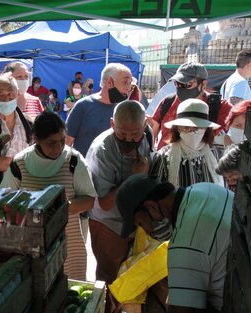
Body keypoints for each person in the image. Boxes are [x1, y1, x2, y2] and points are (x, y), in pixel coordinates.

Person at [1, 111, 96, 280]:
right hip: (30, 247)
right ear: (36, 138)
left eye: (62, 141)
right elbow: (5, 201)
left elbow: (89, 200)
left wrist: (58, 208)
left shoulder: (74, 161)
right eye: (51, 143)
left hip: (69, 245)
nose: (58, 148)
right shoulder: (20, 163)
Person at [117, 174, 233, 313]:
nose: (147, 232)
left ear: (151, 206)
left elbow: (180, 310)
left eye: (141, 224)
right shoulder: (205, 188)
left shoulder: (183, 244)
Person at [85, 100, 150, 311]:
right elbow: (103, 203)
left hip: (134, 222)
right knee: (109, 281)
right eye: (122, 135)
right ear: (112, 124)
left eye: (135, 135)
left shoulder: (145, 136)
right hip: (108, 225)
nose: (130, 140)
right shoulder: (102, 150)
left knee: (131, 281)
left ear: (145, 125)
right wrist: (133, 178)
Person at [151, 62, 232, 150]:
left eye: (187, 84)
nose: (181, 88)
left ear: (203, 84)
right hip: (167, 160)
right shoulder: (168, 102)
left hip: (203, 161)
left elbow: (237, 136)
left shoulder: (220, 107)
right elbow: (152, 132)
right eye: (177, 84)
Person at [150, 99, 223, 188]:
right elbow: (156, 191)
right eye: (186, 128)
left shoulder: (217, 153)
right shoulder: (163, 156)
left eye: (197, 128)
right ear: (177, 129)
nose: (192, 132)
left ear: (206, 129)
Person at [66, 63, 133, 157]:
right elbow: (67, 142)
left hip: (112, 170)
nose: (129, 88)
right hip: (84, 169)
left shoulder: (123, 110)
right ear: (109, 82)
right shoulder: (83, 106)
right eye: (125, 82)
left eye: (130, 83)